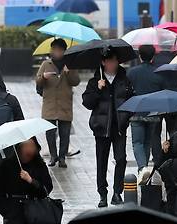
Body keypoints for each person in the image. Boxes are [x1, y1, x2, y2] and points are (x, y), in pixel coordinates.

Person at [82, 50, 134, 208]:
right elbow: (87, 103)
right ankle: (102, 194)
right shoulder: (95, 80)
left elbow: (132, 99)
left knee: (121, 159)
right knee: (101, 161)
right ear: (104, 63)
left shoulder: (124, 79)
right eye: (110, 61)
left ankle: (117, 192)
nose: (113, 64)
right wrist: (98, 89)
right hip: (101, 128)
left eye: (115, 61)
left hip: (119, 127)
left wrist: (126, 117)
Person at [0, 138, 53, 224]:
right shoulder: (6, 165)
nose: (29, 149)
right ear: (19, 148)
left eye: (32, 146)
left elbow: (46, 189)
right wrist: (8, 212)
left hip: (36, 216)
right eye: (26, 146)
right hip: (14, 216)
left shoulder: (40, 165)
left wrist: (31, 180)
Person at [36, 38, 81, 168]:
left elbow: (76, 82)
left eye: (59, 50)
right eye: (54, 49)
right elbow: (38, 81)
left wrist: (69, 72)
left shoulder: (69, 64)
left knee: (64, 134)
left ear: (64, 51)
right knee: (50, 133)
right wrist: (44, 77)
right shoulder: (46, 64)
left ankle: (62, 158)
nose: (56, 52)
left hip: (65, 105)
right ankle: (53, 156)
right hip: (49, 105)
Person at [127, 45, 166, 173]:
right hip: (153, 113)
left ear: (140, 56)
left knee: (137, 142)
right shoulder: (158, 74)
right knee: (147, 142)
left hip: (136, 112)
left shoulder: (131, 72)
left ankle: (142, 168)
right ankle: (144, 169)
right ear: (153, 56)